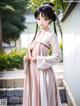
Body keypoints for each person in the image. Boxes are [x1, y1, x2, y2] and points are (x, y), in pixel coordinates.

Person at [23, 3, 62, 106]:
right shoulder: (37, 35)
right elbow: (32, 55)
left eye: (44, 19)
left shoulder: (51, 35)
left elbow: (58, 56)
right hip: (33, 74)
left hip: (44, 75)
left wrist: (39, 59)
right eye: (39, 18)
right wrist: (27, 58)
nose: (41, 22)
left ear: (50, 19)